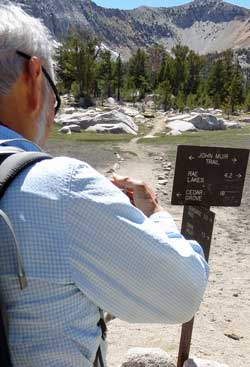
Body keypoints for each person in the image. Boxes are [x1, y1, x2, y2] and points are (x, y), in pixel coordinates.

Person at [0, 4, 209, 367]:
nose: (52, 117)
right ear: (34, 79)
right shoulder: (61, 189)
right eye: (56, 99)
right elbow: (183, 292)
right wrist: (156, 214)